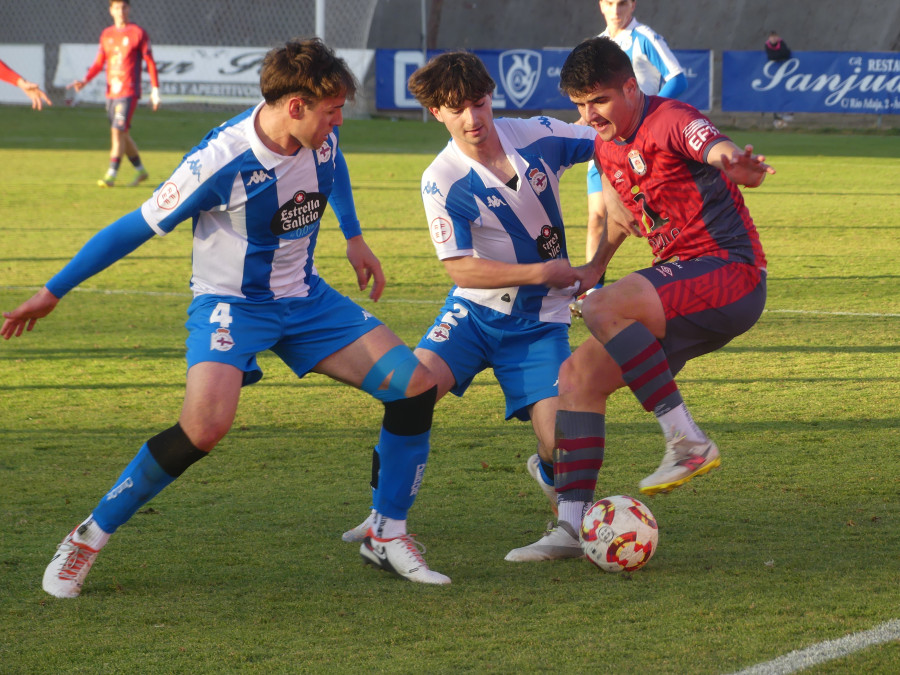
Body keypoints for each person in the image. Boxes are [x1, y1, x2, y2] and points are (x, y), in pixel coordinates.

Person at [2, 38, 451, 596]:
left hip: (307, 299)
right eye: (331, 111)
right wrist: (53, 291)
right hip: (231, 306)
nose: (338, 122)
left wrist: (355, 237)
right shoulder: (220, 162)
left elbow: (334, 165)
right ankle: (88, 536)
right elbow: (130, 228)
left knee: (414, 387)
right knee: (204, 428)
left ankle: (386, 533)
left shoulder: (320, 137)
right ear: (295, 106)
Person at [511, 36, 772, 560]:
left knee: (603, 307)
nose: (588, 116)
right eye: (580, 105)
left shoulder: (671, 117)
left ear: (631, 87)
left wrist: (733, 163)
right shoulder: (606, 145)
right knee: (576, 378)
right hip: (680, 283)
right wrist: (593, 268)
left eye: (599, 101)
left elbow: (712, 145)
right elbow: (623, 221)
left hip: (730, 272)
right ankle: (569, 524)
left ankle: (687, 441)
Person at [340, 52, 599, 562]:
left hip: (539, 324)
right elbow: (461, 270)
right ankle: (383, 517)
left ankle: (558, 498)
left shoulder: (537, 135)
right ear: (437, 113)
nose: (472, 118)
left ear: (491, 97)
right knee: (409, 394)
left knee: (556, 440)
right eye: (455, 109)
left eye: (479, 103)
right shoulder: (441, 179)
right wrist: (541, 273)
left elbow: (609, 142)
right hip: (472, 317)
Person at [572, 0, 687, 318]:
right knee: (597, 217)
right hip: (605, 144)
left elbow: (677, 77)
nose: (616, 9)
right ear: (601, 5)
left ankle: (685, 283)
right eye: (610, 2)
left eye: (622, 2)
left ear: (632, 4)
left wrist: (649, 115)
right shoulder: (598, 46)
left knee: (657, 220)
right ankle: (591, 295)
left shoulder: (644, 37)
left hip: (641, 147)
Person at [68, 0, 160, 188]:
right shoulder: (107, 34)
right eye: (116, 7)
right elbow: (99, 62)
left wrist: (155, 90)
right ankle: (141, 170)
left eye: (124, 7)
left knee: (117, 132)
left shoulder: (138, 33)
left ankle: (111, 175)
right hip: (111, 93)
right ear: (111, 10)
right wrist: (85, 80)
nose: (120, 11)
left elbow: (150, 62)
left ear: (129, 9)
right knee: (122, 134)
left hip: (129, 91)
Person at [764, 31, 793, 128]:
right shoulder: (767, 45)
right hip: (772, 75)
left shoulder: (782, 43)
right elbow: (771, 56)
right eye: (772, 37)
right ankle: (777, 118)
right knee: (773, 94)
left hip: (786, 73)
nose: (773, 39)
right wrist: (779, 55)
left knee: (786, 92)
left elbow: (787, 53)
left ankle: (786, 114)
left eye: (775, 37)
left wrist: (778, 55)